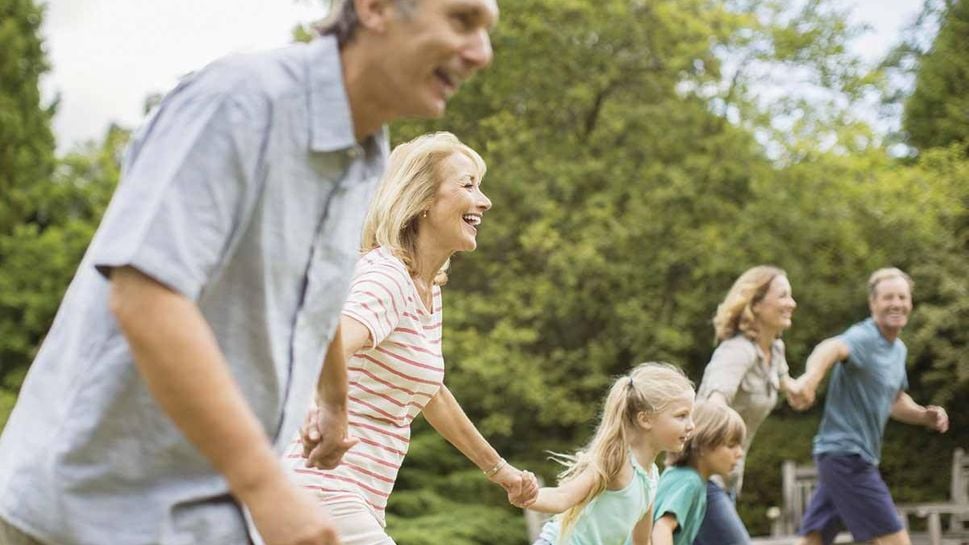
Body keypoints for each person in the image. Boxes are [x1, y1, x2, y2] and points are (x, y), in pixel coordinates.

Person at [0, 1, 499, 544]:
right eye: (461, 21)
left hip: (201, 516)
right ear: (375, 8)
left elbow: (321, 304)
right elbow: (146, 298)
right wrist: (268, 488)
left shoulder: (362, 160)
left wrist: (334, 403)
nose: (482, 54)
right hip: (83, 508)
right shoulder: (243, 102)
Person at [287, 131, 537, 545]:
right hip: (321, 492)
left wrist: (500, 470)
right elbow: (322, 344)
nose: (485, 200)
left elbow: (431, 394)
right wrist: (323, 410)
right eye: (468, 185)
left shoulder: (426, 288)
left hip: (355, 499)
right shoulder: (387, 277)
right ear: (422, 200)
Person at [791, 267, 949, 545]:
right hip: (847, 456)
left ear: (911, 303)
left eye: (903, 297)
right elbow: (830, 348)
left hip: (842, 456)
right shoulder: (864, 337)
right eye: (888, 297)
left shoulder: (897, 349)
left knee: (813, 540)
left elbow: (894, 400)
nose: (897, 303)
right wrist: (810, 380)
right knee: (895, 541)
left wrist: (925, 416)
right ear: (873, 303)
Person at [695, 265, 808, 545]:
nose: (791, 303)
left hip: (729, 478)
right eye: (783, 296)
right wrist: (720, 409)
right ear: (755, 304)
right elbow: (714, 399)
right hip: (700, 479)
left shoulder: (774, 349)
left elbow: (780, 376)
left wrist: (794, 389)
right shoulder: (736, 352)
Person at [526, 362, 696, 545]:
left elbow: (642, 541)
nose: (691, 425)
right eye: (681, 416)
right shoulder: (617, 462)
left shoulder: (651, 477)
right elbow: (563, 497)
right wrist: (527, 495)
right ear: (645, 419)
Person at [651, 402, 747, 545]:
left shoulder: (682, 476)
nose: (740, 453)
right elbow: (662, 528)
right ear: (702, 444)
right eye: (731, 445)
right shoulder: (690, 482)